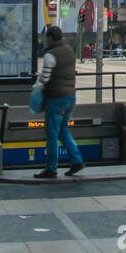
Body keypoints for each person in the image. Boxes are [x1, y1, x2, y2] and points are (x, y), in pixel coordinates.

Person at [34, 25, 84, 178]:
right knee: (63, 131)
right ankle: (76, 160)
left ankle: (51, 168)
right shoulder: (69, 50)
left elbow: (45, 78)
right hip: (71, 97)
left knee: (52, 134)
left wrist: (37, 85)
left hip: (56, 98)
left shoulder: (51, 55)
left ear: (49, 38)